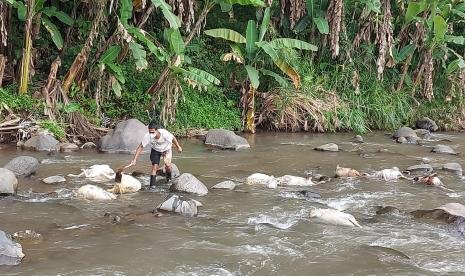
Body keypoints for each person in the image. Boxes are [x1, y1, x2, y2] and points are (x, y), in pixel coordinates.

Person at [125, 122, 182, 188]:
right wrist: (134, 159)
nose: (151, 134)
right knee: (154, 167)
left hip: (166, 150)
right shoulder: (148, 136)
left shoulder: (165, 133)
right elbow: (140, 147)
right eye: (150, 132)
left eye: (153, 132)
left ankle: (168, 180)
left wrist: (178, 147)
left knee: (168, 166)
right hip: (156, 150)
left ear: (157, 130)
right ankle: (152, 186)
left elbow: (173, 138)